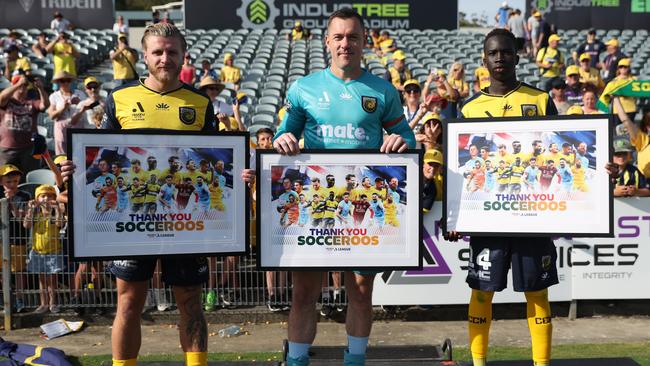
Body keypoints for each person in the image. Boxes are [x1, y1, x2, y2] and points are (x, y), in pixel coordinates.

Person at [59, 22, 254, 366]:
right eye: (158, 52)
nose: (165, 58)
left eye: (172, 51)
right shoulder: (120, 98)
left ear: (183, 55)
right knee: (129, 302)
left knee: (191, 301)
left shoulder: (199, 102)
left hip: (185, 221)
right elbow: (103, 154)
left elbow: (215, 158)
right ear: (145, 56)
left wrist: (238, 174)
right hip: (135, 219)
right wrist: (77, 169)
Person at [271, 8, 415, 366]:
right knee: (304, 293)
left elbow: (407, 136)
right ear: (327, 42)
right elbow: (282, 134)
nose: (345, 43)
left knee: (361, 292)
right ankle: (298, 361)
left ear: (364, 41)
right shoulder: (304, 88)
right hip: (317, 205)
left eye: (352, 36)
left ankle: (355, 361)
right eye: (338, 36)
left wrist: (400, 142)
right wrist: (284, 139)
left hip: (360, 208)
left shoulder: (382, 90)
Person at [454, 28, 559, 366]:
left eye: (506, 52)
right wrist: (455, 216)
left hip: (532, 216)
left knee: (537, 289)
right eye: (493, 53)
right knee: (482, 290)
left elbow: (557, 151)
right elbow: (460, 169)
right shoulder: (469, 109)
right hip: (489, 217)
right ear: (484, 59)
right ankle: (479, 362)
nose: (500, 58)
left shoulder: (540, 100)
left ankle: (541, 363)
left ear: (517, 55)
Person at [23, 185, 66, 314]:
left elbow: (59, 224)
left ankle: (53, 303)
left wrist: (57, 208)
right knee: (42, 280)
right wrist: (30, 210)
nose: (47, 198)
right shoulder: (36, 214)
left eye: (50, 196)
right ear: (37, 199)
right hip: (38, 251)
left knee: (52, 280)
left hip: (53, 251)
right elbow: (26, 225)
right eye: (43, 196)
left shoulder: (55, 213)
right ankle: (43, 303)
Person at [0, 74, 49, 171]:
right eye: (19, 85)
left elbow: (45, 105)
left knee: (28, 175)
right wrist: (18, 84)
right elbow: (1, 98)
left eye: (25, 86)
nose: (22, 87)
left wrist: (40, 88)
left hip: (29, 149)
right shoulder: (7, 101)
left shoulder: (32, 102)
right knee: (5, 178)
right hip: (7, 149)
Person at [0, 164, 31, 312]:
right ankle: (5, 298)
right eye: (8, 181)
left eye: (15, 181)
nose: (12, 184)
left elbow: (21, 219)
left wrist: (11, 202)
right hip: (1, 239)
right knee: (1, 270)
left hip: (18, 240)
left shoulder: (24, 196)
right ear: (1, 181)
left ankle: (19, 299)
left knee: (18, 272)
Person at [47, 71, 87, 155]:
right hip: (61, 129)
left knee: (79, 155)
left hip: (78, 128)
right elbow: (52, 116)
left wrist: (80, 102)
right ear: (58, 82)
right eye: (62, 81)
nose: (65, 83)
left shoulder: (80, 94)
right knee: (62, 157)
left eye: (68, 80)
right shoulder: (54, 96)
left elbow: (89, 109)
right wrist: (63, 108)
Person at [613, 97, 649, 178]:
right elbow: (625, 120)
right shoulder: (644, 140)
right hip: (644, 183)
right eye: (648, 123)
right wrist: (616, 99)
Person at [603, 58, 637, 124]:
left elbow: (636, 93)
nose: (623, 68)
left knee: (630, 131)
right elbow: (609, 95)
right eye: (621, 67)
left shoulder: (634, 80)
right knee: (618, 130)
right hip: (617, 110)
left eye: (625, 67)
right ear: (618, 68)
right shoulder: (614, 81)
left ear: (629, 68)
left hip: (631, 108)